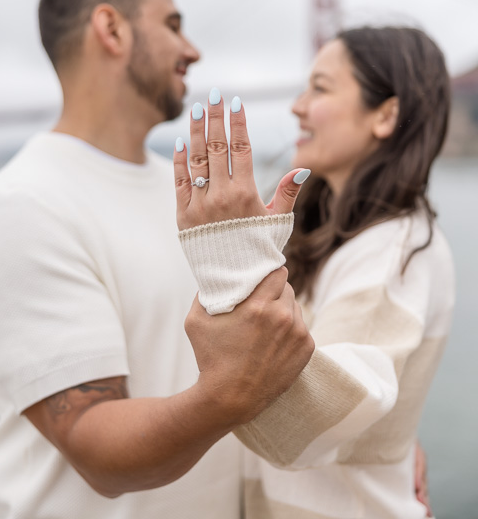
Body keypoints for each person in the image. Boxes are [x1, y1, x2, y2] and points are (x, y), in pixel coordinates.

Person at [0, 0, 314, 519]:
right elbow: (97, 446)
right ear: (111, 29)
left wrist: (373, 447)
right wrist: (230, 393)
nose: (193, 50)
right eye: (174, 25)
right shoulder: (22, 205)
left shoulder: (190, 195)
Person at [175, 26, 454, 519]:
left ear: (386, 115)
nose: (296, 107)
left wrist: (230, 261)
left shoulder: (397, 248)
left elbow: (310, 423)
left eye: (320, 88)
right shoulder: (334, 233)